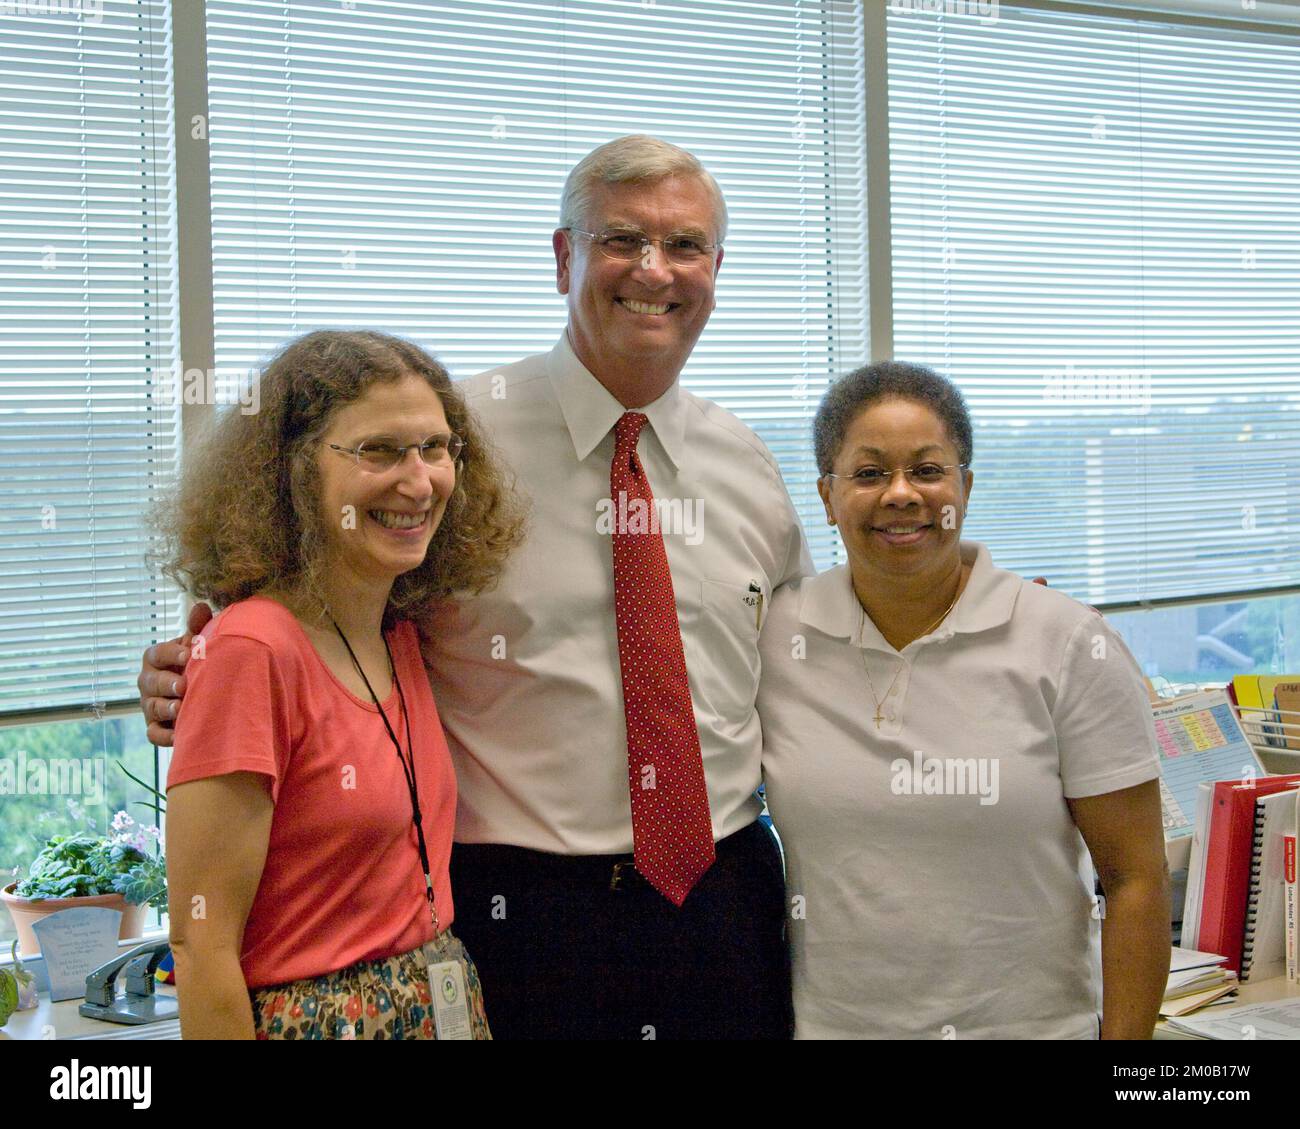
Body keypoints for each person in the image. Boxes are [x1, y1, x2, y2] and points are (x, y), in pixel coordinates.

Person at [139, 136, 812, 1039]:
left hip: (726, 901)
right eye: (622, 239)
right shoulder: (446, 443)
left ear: (716, 270)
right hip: (524, 916)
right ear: (564, 257)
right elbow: (307, 608)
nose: (655, 270)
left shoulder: (750, 464)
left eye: (686, 245)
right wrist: (194, 667)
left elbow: (802, 671)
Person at [757, 360, 1172, 1039]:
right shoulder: (777, 637)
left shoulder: (1065, 642)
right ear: (827, 498)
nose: (900, 494)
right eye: (868, 473)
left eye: (927, 470)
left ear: (965, 488)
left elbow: (1135, 878)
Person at [158, 330, 523, 1039]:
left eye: (436, 447)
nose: (419, 482)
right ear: (294, 470)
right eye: (378, 450)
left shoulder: (401, 634)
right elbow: (200, 947)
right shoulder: (250, 650)